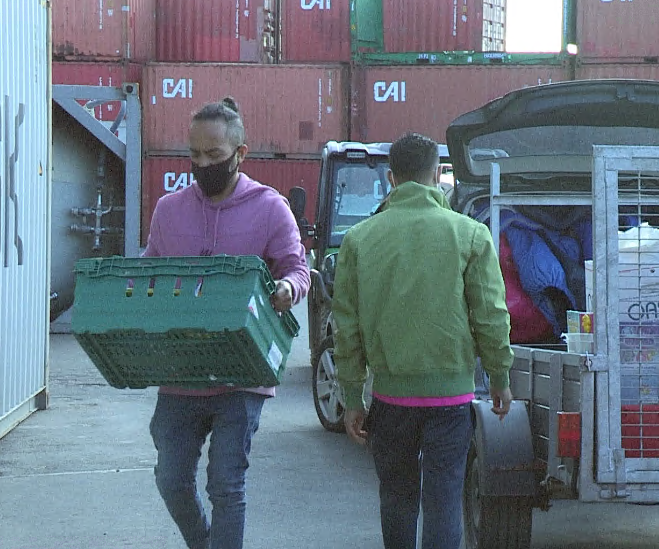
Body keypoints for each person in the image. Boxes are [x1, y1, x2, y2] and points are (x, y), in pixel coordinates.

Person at [142, 97, 310, 549]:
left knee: (226, 485)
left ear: (241, 153)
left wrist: (287, 290)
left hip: (241, 373)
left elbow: (297, 268)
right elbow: (149, 270)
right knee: (172, 479)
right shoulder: (168, 210)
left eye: (214, 156)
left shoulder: (271, 208)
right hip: (180, 371)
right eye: (194, 155)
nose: (202, 164)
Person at [332, 132, 514, 549]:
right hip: (450, 398)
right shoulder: (469, 234)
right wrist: (500, 377)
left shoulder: (359, 239)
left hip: (391, 399)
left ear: (391, 179)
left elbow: (347, 327)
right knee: (444, 501)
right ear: (437, 174)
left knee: (396, 498)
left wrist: (353, 398)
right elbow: (491, 314)